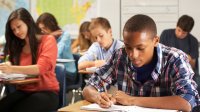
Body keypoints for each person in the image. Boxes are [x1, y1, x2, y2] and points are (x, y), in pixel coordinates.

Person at [82, 14, 200, 112]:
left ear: (155, 41)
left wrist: (132, 100)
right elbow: (89, 88)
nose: (133, 55)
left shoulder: (175, 59)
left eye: (140, 48)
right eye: (128, 47)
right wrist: (98, 97)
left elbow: (187, 101)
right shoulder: (119, 56)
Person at [0, 8, 59, 112]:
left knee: (18, 110)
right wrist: (9, 63)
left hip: (47, 92)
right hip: (24, 91)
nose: (17, 32)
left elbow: (40, 68)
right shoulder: (18, 44)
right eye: (13, 30)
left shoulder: (48, 40)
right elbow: (10, 62)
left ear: (28, 22)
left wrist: (12, 68)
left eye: (19, 26)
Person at [160, 15, 200, 93]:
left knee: (196, 81)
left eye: (184, 33)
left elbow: (193, 65)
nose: (180, 34)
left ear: (188, 32)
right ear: (176, 25)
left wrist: (189, 59)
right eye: (179, 30)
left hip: (185, 71)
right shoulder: (166, 34)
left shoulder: (193, 41)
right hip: (167, 68)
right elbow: (160, 55)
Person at [36, 12, 76, 84]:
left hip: (67, 71)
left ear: (51, 26)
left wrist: (50, 38)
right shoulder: (43, 38)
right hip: (51, 71)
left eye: (44, 28)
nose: (42, 31)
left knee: (44, 79)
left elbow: (56, 54)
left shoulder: (65, 35)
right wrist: (50, 35)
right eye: (40, 29)